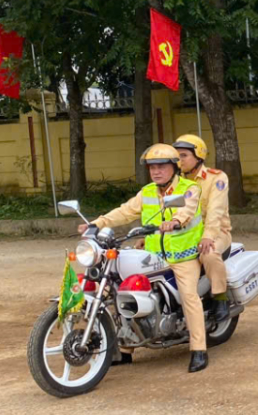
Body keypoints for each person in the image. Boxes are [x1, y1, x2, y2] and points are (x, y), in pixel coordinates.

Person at [81, 144, 210, 373]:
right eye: (152, 167)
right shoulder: (148, 191)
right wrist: (96, 223)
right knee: (122, 288)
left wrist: (176, 221)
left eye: (161, 166)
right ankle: (125, 349)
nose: (156, 171)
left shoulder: (190, 188)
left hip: (183, 257)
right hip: (152, 256)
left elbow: (187, 210)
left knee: (189, 296)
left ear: (174, 167)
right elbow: (124, 211)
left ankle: (198, 349)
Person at [173, 134, 232, 321]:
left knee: (209, 253)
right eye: (177, 156)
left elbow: (215, 211)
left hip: (216, 233)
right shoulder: (175, 182)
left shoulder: (216, 178)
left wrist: (207, 237)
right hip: (185, 235)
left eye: (183, 155)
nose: (179, 160)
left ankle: (220, 298)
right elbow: (166, 212)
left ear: (198, 156)